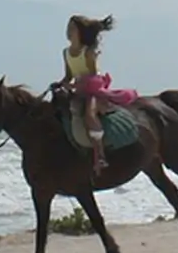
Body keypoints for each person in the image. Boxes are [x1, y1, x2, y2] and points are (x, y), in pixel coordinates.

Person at [54, 14, 136, 176]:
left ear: (80, 32)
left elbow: (93, 76)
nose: (68, 32)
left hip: (92, 89)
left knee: (90, 115)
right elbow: (68, 76)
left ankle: (100, 154)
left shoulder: (88, 52)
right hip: (77, 90)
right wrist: (61, 84)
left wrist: (77, 85)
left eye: (72, 29)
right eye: (68, 29)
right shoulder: (66, 52)